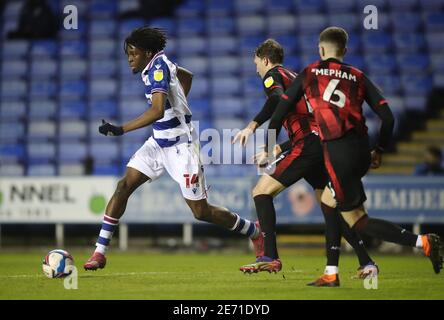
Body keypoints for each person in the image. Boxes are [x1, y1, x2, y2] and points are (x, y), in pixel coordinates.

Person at [267, 27, 443, 285]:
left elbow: (279, 111)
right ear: (345, 51)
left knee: (358, 220)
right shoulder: (357, 75)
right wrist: (379, 150)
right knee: (328, 202)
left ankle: (423, 241)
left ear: (321, 49)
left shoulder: (310, 72)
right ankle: (331, 272)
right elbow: (388, 118)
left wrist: (270, 146)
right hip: (361, 148)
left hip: (338, 152)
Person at [84, 27, 263, 270]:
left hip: (181, 148)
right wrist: (179, 102)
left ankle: (253, 230)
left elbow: (157, 110)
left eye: (133, 53)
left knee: (201, 212)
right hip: (158, 143)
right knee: (123, 186)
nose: (129, 58)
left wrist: (121, 129)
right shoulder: (159, 63)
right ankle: (99, 252)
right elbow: (187, 76)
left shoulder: (158, 69)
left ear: (147, 53)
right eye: (128, 54)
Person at [233, 39, 376, 281]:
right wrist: (280, 147)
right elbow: (308, 119)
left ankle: (269, 256)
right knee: (329, 205)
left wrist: (253, 125)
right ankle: (366, 262)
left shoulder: (273, 76)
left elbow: (276, 100)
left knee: (261, 191)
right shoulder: (294, 75)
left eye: (256, 63)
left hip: (308, 144)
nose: (256, 68)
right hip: (320, 142)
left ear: (265, 60)